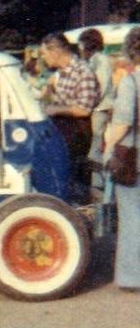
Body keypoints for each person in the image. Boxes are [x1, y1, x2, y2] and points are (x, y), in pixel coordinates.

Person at [41, 32, 100, 203]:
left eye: (45, 53)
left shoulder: (83, 71)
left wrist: (55, 109)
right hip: (64, 134)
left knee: (76, 184)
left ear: (55, 52)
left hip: (77, 135)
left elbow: (84, 109)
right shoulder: (61, 73)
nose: (44, 59)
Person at [104, 26, 140, 290]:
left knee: (131, 216)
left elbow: (123, 122)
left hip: (133, 158)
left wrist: (108, 144)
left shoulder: (130, 83)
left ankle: (132, 277)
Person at [78, 28, 114, 188]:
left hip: (99, 110)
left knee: (95, 149)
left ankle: (99, 184)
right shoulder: (95, 59)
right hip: (97, 109)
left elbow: (101, 85)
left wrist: (89, 103)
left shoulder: (100, 60)